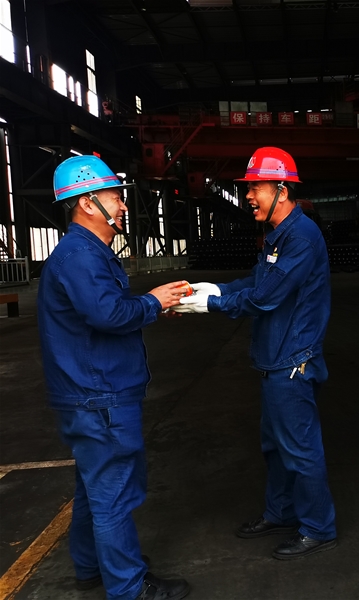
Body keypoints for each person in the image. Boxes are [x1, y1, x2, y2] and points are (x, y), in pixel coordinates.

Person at [38, 156, 191, 600]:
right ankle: (128, 587)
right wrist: (153, 302)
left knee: (93, 488)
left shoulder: (84, 253)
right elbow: (108, 314)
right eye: (114, 197)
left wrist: (152, 307)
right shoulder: (81, 256)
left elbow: (107, 310)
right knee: (113, 495)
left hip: (88, 394)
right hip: (99, 397)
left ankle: (91, 567)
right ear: (88, 203)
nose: (123, 205)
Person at [174, 147, 337, 560]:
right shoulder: (278, 235)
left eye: (255, 187)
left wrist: (210, 305)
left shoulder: (301, 238)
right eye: (247, 188)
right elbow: (257, 281)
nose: (247, 196)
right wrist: (215, 288)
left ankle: (319, 527)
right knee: (275, 447)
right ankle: (281, 512)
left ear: (281, 189)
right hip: (274, 360)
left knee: (300, 450)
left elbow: (265, 298)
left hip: (292, 362)